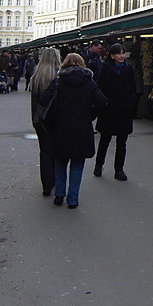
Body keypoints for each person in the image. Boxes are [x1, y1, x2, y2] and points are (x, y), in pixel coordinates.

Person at [41, 53, 107, 208]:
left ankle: (59, 194)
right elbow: (101, 102)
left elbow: (44, 99)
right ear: (82, 64)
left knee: (60, 161)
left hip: (60, 128)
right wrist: (91, 113)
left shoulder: (58, 81)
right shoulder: (89, 82)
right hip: (81, 128)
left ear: (65, 64)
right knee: (77, 164)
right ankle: (73, 199)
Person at [94, 43, 138, 181]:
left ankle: (119, 170)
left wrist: (131, 99)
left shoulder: (128, 69)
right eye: (119, 53)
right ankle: (98, 165)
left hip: (124, 110)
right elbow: (99, 87)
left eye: (123, 53)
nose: (122, 56)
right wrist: (105, 102)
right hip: (109, 110)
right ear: (112, 56)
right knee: (105, 140)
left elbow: (133, 87)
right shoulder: (105, 69)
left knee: (122, 142)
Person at [30, 48, 62, 196]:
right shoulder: (60, 76)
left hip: (40, 120)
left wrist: (35, 120)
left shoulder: (36, 76)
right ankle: (55, 179)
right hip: (57, 120)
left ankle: (46, 185)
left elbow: (34, 103)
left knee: (44, 151)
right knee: (57, 151)